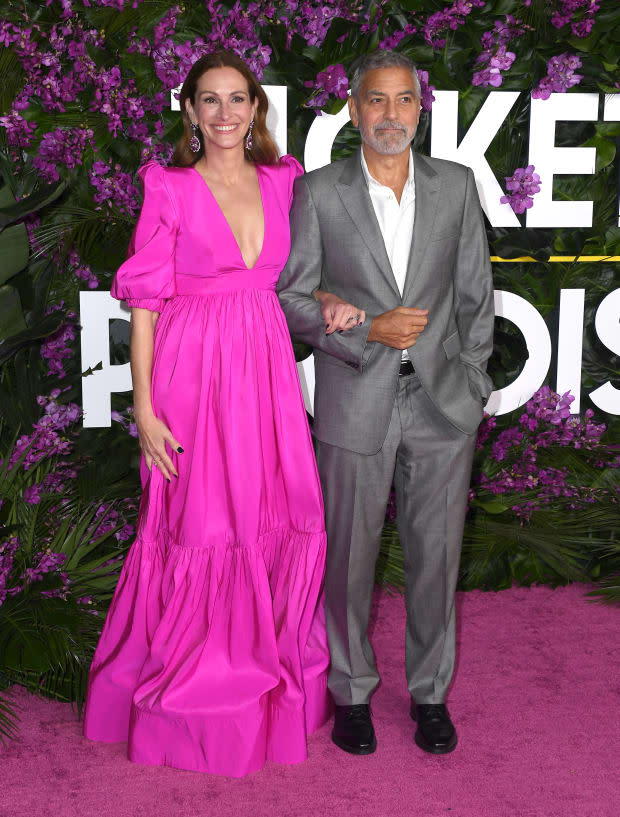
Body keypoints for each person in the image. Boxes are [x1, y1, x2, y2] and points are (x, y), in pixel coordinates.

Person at [83, 51, 360, 778]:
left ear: (256, 109)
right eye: (209, 100)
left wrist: (329, 298)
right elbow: (144, 306)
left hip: (265, 372)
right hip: (191, 375)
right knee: (201, 524)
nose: (225, 114)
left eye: (238, 99)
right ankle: (200, 686)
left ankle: (271, 676)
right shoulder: (169, 187)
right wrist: (143, 406)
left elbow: (306, 276)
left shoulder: (284, 181)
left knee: (281, 511)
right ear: (190, 111)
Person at [277, 49, 494, 757]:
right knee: (349, 561)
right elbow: (291, 299)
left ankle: (430, 692)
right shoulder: (317, 192)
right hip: (354, 398)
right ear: (352, 108)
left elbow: (476, 300)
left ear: (420, 109)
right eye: (377, 100)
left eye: (404, 101)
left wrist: (473, 381)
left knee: (437, 558)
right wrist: (367, 327)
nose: (391, 115)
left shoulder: (457, 187)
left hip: (440, 406)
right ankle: (351, 692)